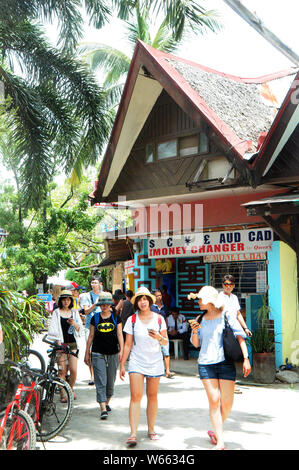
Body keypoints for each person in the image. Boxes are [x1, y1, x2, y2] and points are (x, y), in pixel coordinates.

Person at [188, 285, 251, 450]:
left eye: (201, 299)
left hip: (225, 363)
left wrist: (246, 358)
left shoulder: (227, 315)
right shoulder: (199, 319)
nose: (199, 302)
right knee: (214, 401)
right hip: (205, 364)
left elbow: (240, 337)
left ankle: (215, 432)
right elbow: (196, 345)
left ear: (210, 301)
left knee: (228, 404)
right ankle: (221, 442)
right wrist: (194, 331)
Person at [120, 286, 168, 447]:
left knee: (152, 396)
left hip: (155, 361)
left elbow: (165, 342)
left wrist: (159, 337)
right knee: (135, 396)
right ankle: (133, 433)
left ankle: (151, 429)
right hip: (136, 361)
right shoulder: (131, 320)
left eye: (145, 299)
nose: (143, 302)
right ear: (137, 303)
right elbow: (127, 345)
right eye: (140, 299)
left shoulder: (159, 318)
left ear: (149, 301)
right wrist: (122, 365)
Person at [84, 292, 124, 420]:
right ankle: (102, 408)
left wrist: (122, 351)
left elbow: (119, 335)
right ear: (99, 305)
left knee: (110, 381)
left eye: (107, 304)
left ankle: (106, 402)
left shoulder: (116, 317)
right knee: (100, 380)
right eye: (102, 304)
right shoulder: (95, 318)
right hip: (97, 352)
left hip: (113, 352)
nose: (104, 306)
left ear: (110, 304)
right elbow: (91, 336)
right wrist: (87, 352)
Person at [48, 290, 83, 401]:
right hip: (61, 345)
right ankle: (63, 393)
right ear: (61, 301)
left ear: (71, 301)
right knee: (62, 370)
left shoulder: (74, 312)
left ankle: (70, 389)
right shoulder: (56, 313)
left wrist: (74, 323)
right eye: (64, 299)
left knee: (73, 369)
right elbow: (53, 330)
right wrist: (58, 343)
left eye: (68, 299)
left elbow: (80, 329)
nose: (66, 301)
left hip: (73, 344)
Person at [80, 276, 103, 385]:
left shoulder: (104, 295)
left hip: (102, 326)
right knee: (90, 350)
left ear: (100, 284)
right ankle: (92, 375)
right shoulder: (87, 296)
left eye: (96, 282)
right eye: (92, 282)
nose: (94, 284)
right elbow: (86, 311)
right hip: (90, 326)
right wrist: (95, 304)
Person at [151, 289, 174, 378]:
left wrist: (166, 329)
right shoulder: (151, 307)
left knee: (166, 351)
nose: (159, 297)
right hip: (154, 332)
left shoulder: (165, 307)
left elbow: (167, 318)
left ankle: (167, 371)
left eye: (160, 295)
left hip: (163, 331)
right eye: (157, 296)